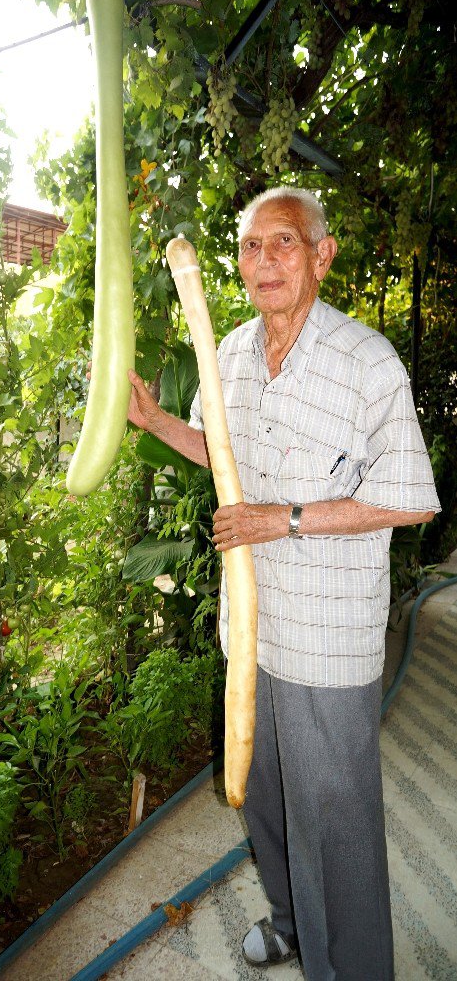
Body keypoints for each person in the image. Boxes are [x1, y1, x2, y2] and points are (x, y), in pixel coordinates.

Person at [124, 186, 440, 980]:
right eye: (250, 246)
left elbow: (407, 500)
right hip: (249, 632)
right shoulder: (227, 352)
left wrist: (282, 518)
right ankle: (296, 924)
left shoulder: (367, 362)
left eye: (283, 243)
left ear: (321, 255)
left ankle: (354, 967)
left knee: (334, 822)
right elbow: (219, 452)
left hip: (327, 640)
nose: (263, 260)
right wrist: (159, 425)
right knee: (263, 799)